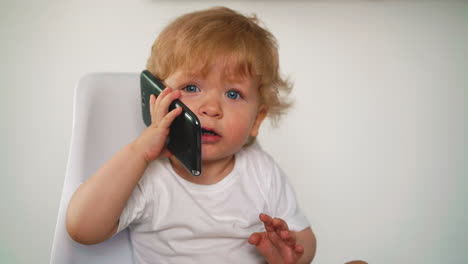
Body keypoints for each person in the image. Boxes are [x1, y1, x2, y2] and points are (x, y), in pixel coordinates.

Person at [66, 6, 316, 264]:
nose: (211, 108)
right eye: (192, 87)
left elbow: (305, 238)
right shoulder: (149, 174)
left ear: (257, 120)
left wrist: (291, 254)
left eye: (233, 94)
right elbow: (82, 228)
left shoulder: (262, 171)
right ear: (156, 98)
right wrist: (139, 152)